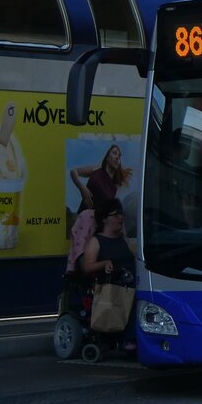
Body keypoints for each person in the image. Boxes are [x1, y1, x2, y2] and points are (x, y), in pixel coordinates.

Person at [67, 143, 133, 273]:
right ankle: (71, 276)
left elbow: (113, 207)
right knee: (79, 251)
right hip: (84, 217)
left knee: (93, 253)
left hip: (98, 222)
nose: (117, 157)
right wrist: (82, 189)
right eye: (114, 153)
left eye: (119, 156)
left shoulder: (115, 186)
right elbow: (73, 172)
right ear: (107, 157)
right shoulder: (96, 170)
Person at [81, 198, 136, 350]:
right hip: (113, 284)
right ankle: (128, 339)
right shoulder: (96, 241)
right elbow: (87, 266)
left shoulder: (122, 240)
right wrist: (104, 263)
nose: (120, 218)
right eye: (115, 215)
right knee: (134, 296)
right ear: (104, 219)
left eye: (121, 214)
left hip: (129, 279)